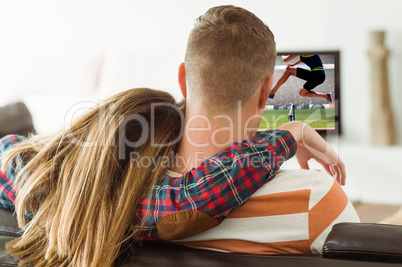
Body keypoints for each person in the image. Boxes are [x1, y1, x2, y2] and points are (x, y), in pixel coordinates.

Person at [0, 5, 356, 267]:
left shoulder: (85, 195)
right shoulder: (315, 199)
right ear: (267, 92)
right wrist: (291, 132)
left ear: (184, 79)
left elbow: (12, 155)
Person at [269, 55, 334, 103]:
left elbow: (285, 59)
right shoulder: (304, 54)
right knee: (302, 93)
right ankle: (327, 96)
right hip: (319, 77)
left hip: (317, 75)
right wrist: (294, 64)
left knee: (288, 70)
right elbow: (302, 59)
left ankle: (272, 92)